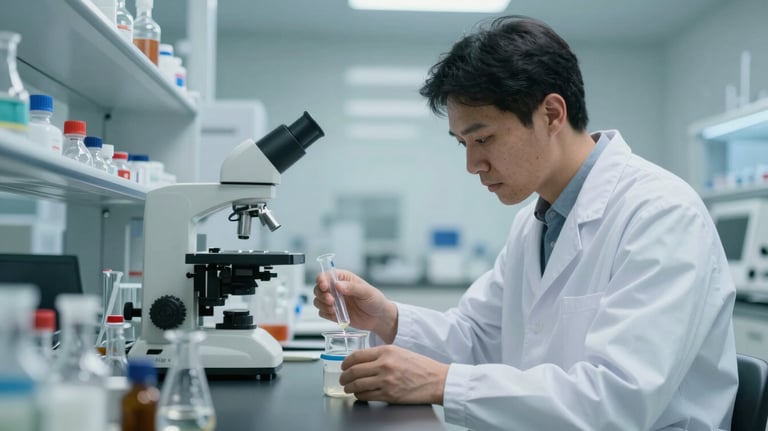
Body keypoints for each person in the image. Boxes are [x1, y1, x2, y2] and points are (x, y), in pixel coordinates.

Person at [313, 15, 738, 430]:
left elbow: (618, 399)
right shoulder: (535, 224)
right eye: (463, 143)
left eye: (483, 139)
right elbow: (478, 336)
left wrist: (441, 383)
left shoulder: (660, 215)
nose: (472, 164)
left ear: (552, 114)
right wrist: (386, 317)